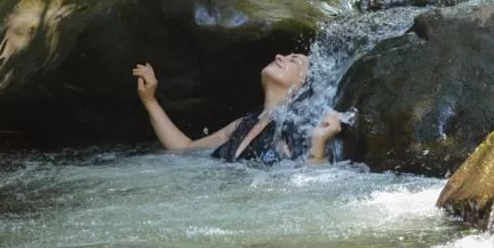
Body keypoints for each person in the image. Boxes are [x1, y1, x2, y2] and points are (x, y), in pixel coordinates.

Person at [131, 53, 344, 164]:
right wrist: (149, 100)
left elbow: (310, 188)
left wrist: (318, 142)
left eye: (293, 60)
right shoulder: (243, 125)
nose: (280, 57)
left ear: (303, 85)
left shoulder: (299, 128)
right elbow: (184, 149)